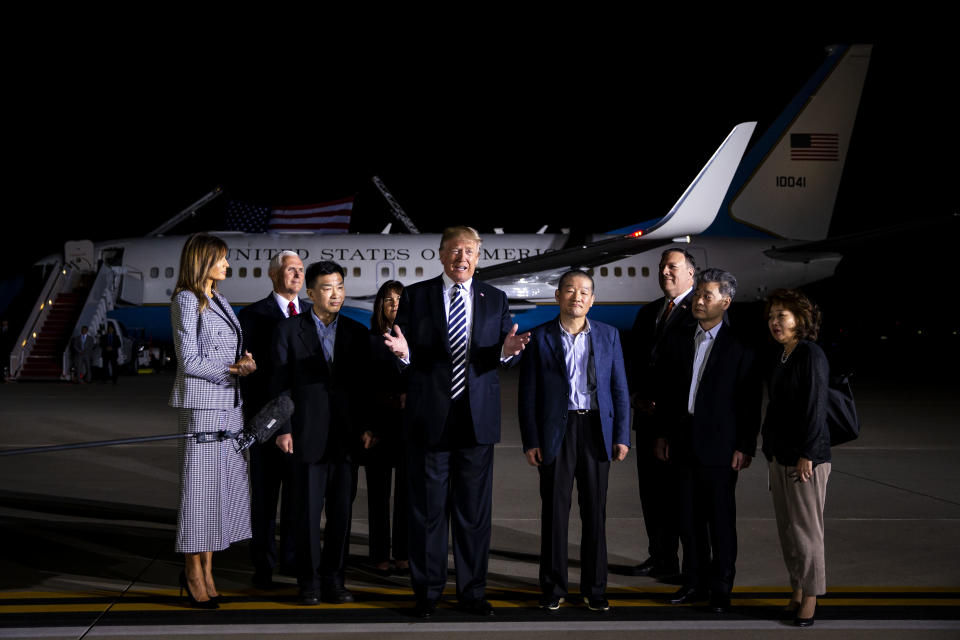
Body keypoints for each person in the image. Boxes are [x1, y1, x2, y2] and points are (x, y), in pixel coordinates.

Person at [384, 225, 530, 618]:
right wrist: (402, 354)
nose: (461, 257)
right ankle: (428, 593)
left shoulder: (494, 299)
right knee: (428, 512)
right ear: (441, 254)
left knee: (473, 515)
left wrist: (508, 352)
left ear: (478, 257)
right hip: (430, 420)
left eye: (469, 251)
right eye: (454, 251)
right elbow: (406, 351)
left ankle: (472, 592)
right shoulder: (417, 296)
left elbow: (502, 353)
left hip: (475, 422)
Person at [519, 270, 630, 612]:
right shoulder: (539, 337)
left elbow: (619, 389)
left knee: (595, 512)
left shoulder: (609, 336)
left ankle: (595, 588)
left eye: (584, 292)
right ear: (558, 296)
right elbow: (528, 394)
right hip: (558, 432)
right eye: (570, 290)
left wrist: (622, 435)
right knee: (555, 512)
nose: (577, 296)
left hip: (597, 429)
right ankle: (553, 587)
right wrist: (531, 440)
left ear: (592, 300)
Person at [654, 268, 760, 613]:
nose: (698, 301)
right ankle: (694, 581)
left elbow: (749, 402)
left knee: (720, 521)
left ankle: (721, 587)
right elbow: (669, 394)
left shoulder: (741, 348)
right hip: (683, 443)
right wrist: (664, 434)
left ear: (725, 303)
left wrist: (745, 445)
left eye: (707, 296)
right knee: (688, 519)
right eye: (697, 294)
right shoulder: (680, 339)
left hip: (720, 449)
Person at [271, 260, 371, 606]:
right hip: (305, 436)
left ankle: (335, 580)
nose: (336, 294)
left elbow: (365, 389)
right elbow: (280, 385)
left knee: (341, 517)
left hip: (345, 440)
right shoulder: (288, 331)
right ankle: (309, 582)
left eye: (340, 286)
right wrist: (283, 429)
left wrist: (368, 428)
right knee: (307, 516)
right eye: (327, 288)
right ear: (310, 292)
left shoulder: (357, 333)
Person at [169, 233, 256, 609]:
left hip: (229, 407)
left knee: (220, 494)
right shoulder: (186, 300)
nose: (227, 265)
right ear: (202, 261)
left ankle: (208, 570)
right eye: (221, 259)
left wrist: (243, 364)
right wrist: (233, 368)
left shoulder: (219, 298)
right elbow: (188, 361)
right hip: (204, 409)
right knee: (198, 496)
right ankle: (192, 572)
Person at [238, 250, 310, 589]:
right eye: (289, 269)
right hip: (266, 426)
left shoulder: (312, 313)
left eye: (300, 269)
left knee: (298, 498)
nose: (296, 275)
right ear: (273, 274)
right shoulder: (252, 316)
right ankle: (263, 566)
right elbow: (256, 376)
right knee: (265, 500)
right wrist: (278, 424)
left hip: (305, 425)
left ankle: (293, 560)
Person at [627, 248, 697, 578]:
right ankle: (661, 556)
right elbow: (636, 365)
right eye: (662, 267)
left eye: (673, 266)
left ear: (691, 274)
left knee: (680, 498)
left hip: (679, 424)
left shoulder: (699, 312)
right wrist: (636, 396)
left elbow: (689, 375)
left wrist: (670, 418)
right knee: (651, 494)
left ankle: (690, 565)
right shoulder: (648, 313)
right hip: (648, 420)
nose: (665, 271)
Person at [762, 289, 831, 627]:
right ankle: (797, 590)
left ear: (800, 320)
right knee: (788, 531)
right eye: (772, 316)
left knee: (807, 532)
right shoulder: (781, 355)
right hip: (780, 455)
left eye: (782, 316)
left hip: (805, 458)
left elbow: (816, 408)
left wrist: (809, 454)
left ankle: (812, 598)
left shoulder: (810, 354)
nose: (775, 322)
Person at [358, 280, 409, 576]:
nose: (394, 304)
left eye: (399, 299)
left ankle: (403, 554)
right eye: (388, 300)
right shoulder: (369, 340)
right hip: (378, 424)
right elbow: (361, 388)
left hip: (407, 425)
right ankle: (379, 554)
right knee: (378, 496)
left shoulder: (416, 339)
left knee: (407, 495)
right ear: (379, 305)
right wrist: (366, 426)